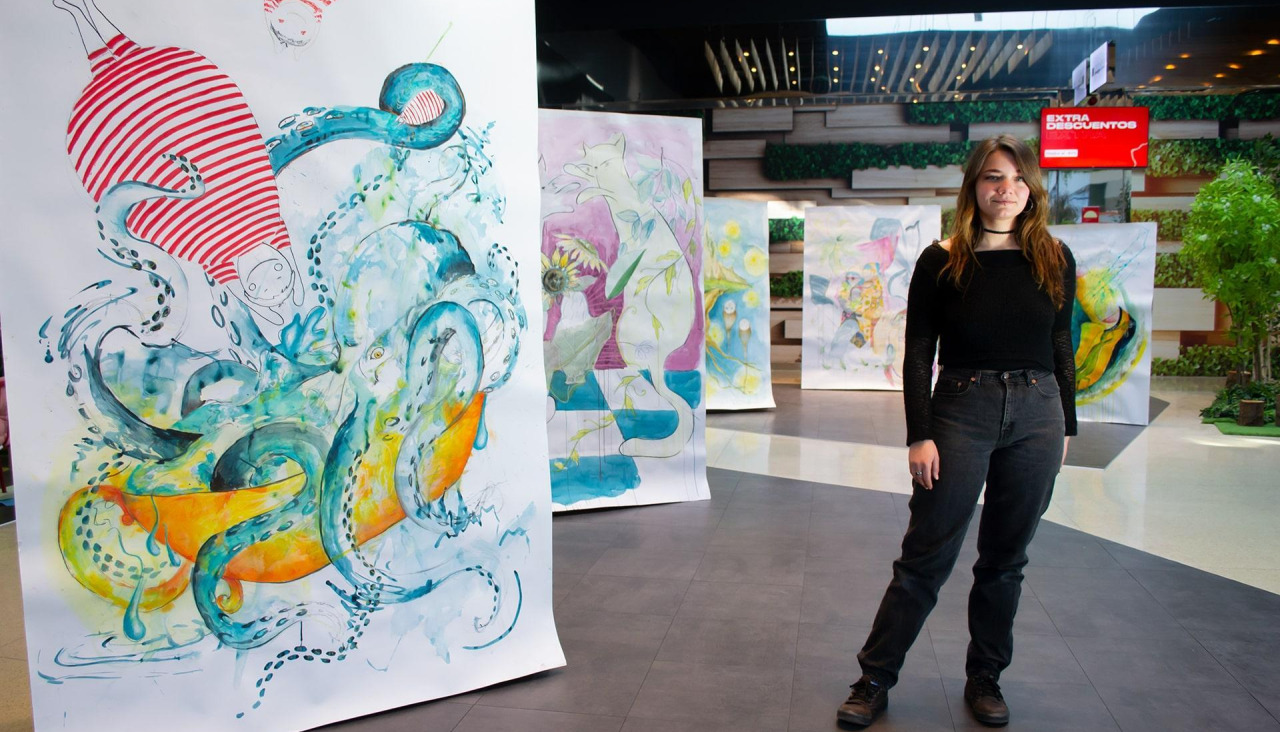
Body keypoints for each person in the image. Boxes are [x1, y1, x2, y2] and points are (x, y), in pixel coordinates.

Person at [837, 134, 1077, 728]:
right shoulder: (941, 260)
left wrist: (1066, 425)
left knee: (1005, 560)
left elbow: (1060, 343)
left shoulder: (1054, 256)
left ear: (1032, 189)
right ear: (974, 185)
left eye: (1018, 179)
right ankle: (873, 678)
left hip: (1038, 413)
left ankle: (985, 678)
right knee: (926, 555)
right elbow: (919, 349)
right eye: (994, 177)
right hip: (961, 411)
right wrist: (919, 434)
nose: (1006, 190)